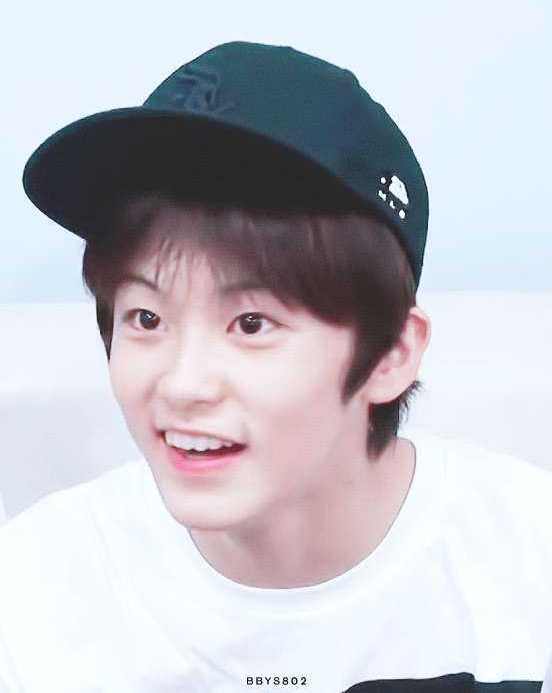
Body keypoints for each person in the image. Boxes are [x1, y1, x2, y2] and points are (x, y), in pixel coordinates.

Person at [1, 41, 551, 693]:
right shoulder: (33, 593)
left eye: (251, 324)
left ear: (392, 354)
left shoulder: (529, 568)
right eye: (146, 318)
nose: (184, 385)